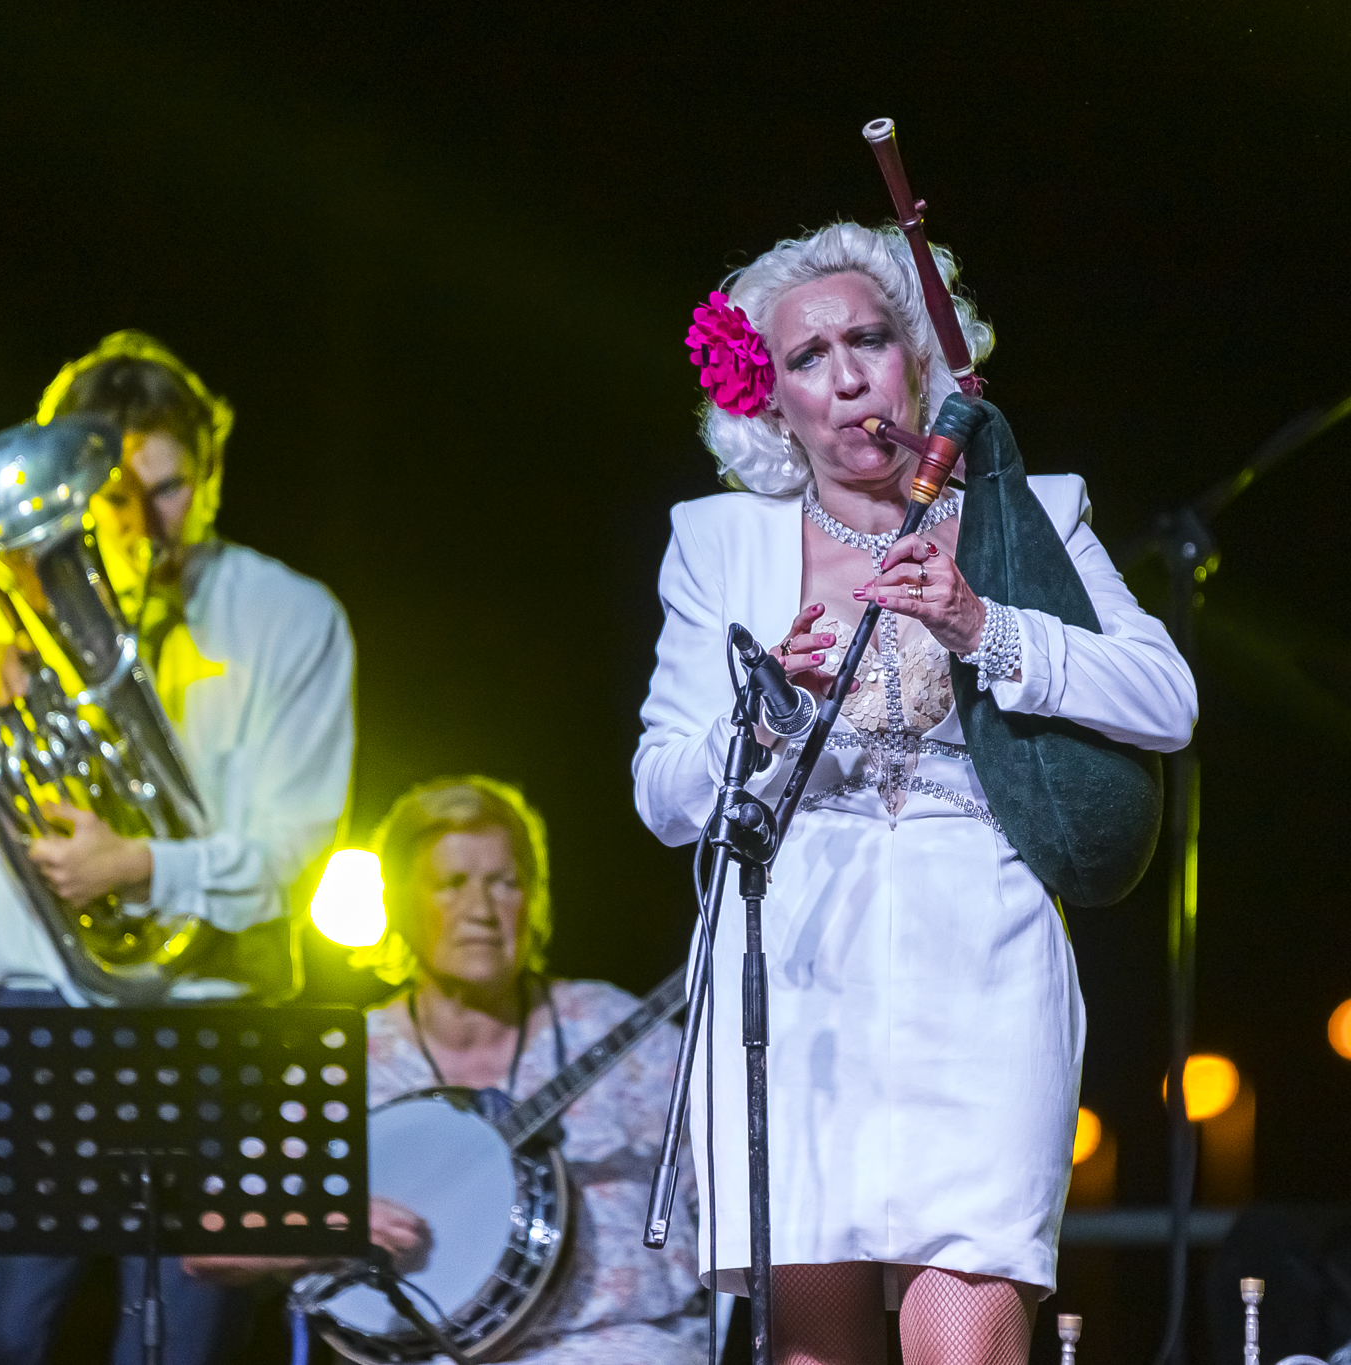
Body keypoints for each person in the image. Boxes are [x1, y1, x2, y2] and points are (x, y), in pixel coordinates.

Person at [634, 222, 1196, 1365]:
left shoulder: (1027, 511)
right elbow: (663, 794)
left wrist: (981, 625)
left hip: (981, 956)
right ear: (769, 401)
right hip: (798, 969)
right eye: (806, 357)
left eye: (868, 340)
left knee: (968, 1345)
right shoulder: (719, 541)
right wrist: (763, 713)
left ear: (920, 357)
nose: (845, 378)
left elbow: (1165, 700)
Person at [0, 331, 357, 1365]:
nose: (142, 520)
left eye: (170, 488)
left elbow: (293, 851)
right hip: (39, 1019)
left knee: (180, 1350)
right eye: (112, 496)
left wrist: (140, 865)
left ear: (212, 476)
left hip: (217, 1022)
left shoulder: (291, 616)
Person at [186, 776, 712, 1365]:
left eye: (505, 883)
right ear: (401, 904)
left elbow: (738, 1192)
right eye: (452, 884)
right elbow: (209, 1242)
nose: (481, 911)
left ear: (533, 902)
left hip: (617, 1345)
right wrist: (330, 1224)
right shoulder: (346, 1062)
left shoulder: (616, 1029)